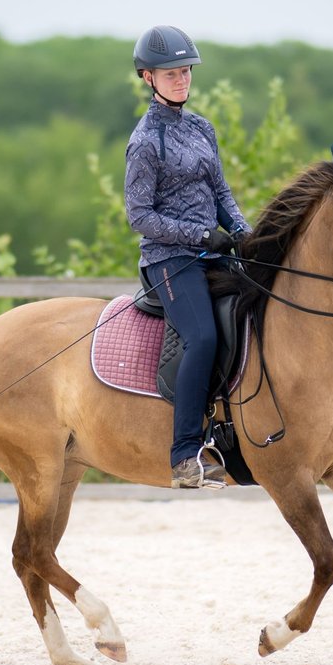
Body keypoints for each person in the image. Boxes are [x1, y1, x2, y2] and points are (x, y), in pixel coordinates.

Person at [124, 25, 252, 490]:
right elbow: (139, 215)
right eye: (170, 73)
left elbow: (221, 192)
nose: (181, 80)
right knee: (201, 336)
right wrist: (201, 234)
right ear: (147, 77)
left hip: (211, 251)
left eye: (185, 71)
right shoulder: (144, 142)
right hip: (170, 260)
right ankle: (184, 455)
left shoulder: (201, 128)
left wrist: (243, 232)